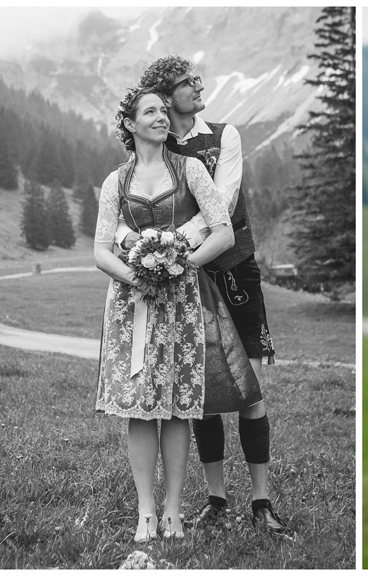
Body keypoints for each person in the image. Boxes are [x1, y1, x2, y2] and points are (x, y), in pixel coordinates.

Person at [113, 56, 286, 533]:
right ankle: (216, 497)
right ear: (165, 98)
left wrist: (167, 245)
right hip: (184, 282)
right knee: (201, 389)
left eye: (196, 78)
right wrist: (152, 249)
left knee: (250, 388)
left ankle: (262, 501)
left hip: (232, 272)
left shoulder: (223, 136)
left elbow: (223, 204)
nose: (198, 85)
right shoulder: (157, 149)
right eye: (187, 83)